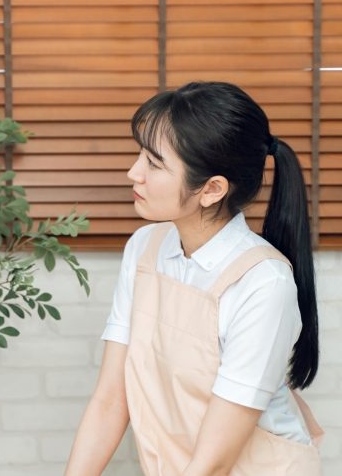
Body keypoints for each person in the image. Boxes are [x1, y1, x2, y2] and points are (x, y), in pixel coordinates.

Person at [65, 82, 322, 475]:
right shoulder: (145, 248)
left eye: (154, 163)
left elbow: (212, 464)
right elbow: (110, 400)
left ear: (211, 189)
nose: (134, 172)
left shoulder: (262, 283)